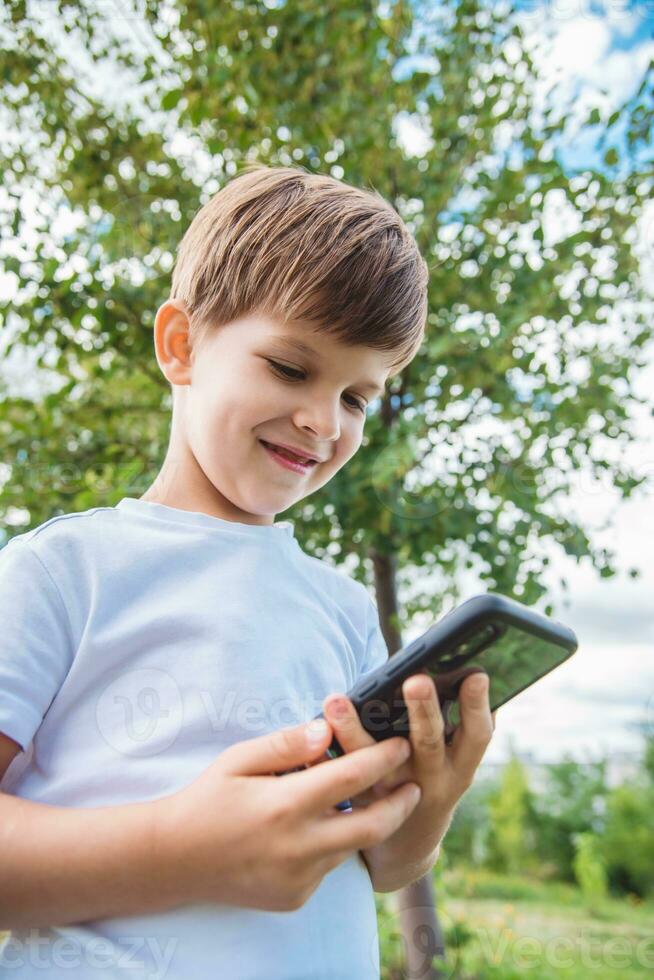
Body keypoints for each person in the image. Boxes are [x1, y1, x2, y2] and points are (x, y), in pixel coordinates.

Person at [0, 165, 494, 978]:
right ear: (181, 346)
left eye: (357, 398)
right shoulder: (65, 573)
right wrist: (181, 849)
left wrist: (430, 803)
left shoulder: (342, 608)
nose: (322, 421)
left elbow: (382, 863)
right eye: (292, 369)